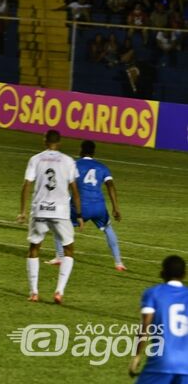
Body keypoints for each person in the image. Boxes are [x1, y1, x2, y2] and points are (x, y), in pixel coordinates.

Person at [17, 129, 83, 304]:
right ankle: (59, 291)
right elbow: (75, 190)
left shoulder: (36, 159)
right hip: (60, 212)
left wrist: (22, 211)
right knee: (69, 249)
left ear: (44, 141)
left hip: (39, 210)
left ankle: (34, 292)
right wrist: (80, 214)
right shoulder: (68, 161)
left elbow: (26, 186)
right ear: (59, 142)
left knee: (34, 248)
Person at [47, 140, 126, 270]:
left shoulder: (74, 165)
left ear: (80, 150)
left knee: (57, 223)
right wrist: (115, 208)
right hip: (99, 207)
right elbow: (110, 185)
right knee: (108, 229)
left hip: (80, 206)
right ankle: (119, 263)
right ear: (93, 152)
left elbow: (65, 184)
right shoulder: (102, 167)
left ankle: (59, 257)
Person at [129, 255, 188, 381]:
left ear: (162, 273)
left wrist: (137, 355)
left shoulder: (153, 293)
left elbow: (145, 327)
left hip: (162, 362)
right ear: (184, 275)